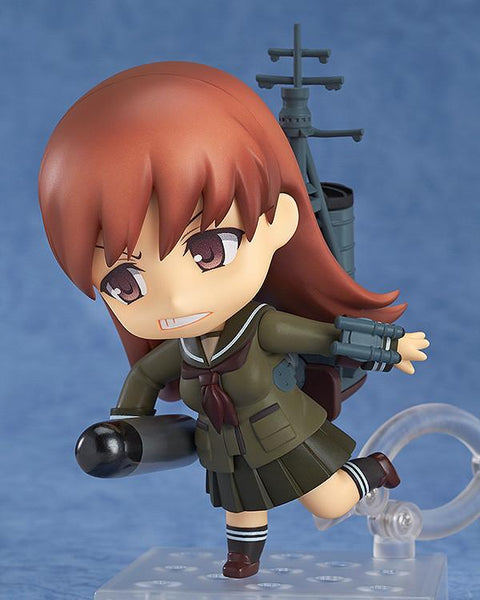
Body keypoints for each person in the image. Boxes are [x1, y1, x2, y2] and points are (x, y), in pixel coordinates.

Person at [39, 61, 428, 578]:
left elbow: (326, 337)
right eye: (125, 283)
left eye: (208, 251)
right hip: (225, 445)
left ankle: (374, 470)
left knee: (330, 501)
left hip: (284, 434)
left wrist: (387, 347)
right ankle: (244, 555)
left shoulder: (261, 327)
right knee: (241, 505)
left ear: (279, 221)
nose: (178, 298)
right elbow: (145, 375)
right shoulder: (183, 348)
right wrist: (130, 423)